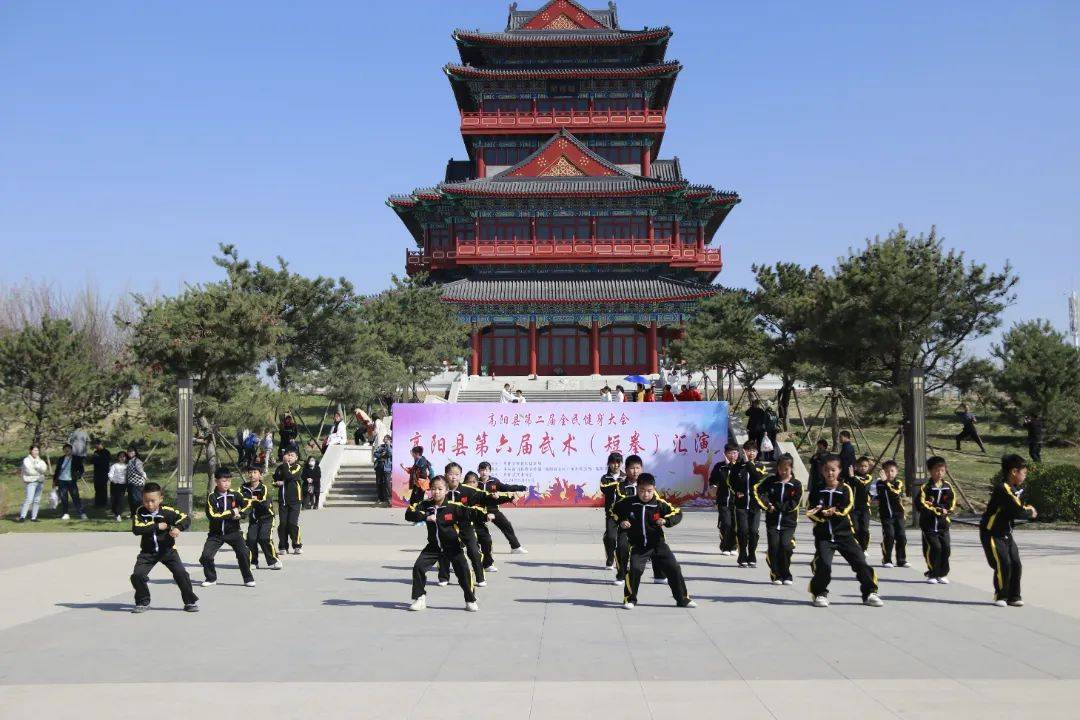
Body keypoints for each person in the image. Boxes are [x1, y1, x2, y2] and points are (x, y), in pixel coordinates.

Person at [805, 454, 883, 608]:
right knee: (824, 565)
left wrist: (835, 511)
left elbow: (848, 506)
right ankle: (820, 593)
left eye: (833, 470)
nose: (830, 473)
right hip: (824, 536)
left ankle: (870, 592)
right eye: (826, 470)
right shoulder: (817, 489)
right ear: (822, 471)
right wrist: (821, 514)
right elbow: (810, 510)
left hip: (844, 534)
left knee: (860, 561)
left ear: (839, 471)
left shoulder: (845, 488)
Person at [610, 473, 695, 609]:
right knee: (635, 569)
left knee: (674, 568)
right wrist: (621, 521)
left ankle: (683, 599)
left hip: (658, 545)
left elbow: (677, 512)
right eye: (642, 491)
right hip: (639, 546)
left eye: (649, 491)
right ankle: (630, 599)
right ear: (637, 489)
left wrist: (666, 521)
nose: (645, 494)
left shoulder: (659, 504)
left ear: (654, 489)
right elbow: (614, 511)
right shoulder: (628, 503)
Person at [405, 476, 479, 612]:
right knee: (418, 568)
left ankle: (470, 599)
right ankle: (419, 598)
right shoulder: (425, 505)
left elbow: (471, 513)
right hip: (433, 547)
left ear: (446, 490)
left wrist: (486, 516)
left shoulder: (453, 507)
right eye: (433, 489)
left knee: (463, 573)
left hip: (453, 547)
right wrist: (425, 517)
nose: (436, 492)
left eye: (440, 489)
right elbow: (409, 514)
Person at [130, 482, 199, 613]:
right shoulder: (140, 511)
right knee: (137, 576)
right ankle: (143, 601)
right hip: (148, 552)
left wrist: (178, 528)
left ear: (161, 498)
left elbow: (185, 518)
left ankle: (190, 602)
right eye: (146, 501)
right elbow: (136, 529)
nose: (149, 504)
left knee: (181, 574)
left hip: (168, 551)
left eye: (152, 501)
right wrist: (156, 526)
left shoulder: (167, 511)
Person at [980, 454, 1037, 607]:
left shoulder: (1015, 489)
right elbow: (1016, 510)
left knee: (1016, 563)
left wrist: (1028, 510)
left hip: (1007, 533)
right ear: (1013, 472)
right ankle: (1001, 596)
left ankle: (1014, 596)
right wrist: (1030, 512)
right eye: (1023, 472)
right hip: (992, 533)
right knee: (1003, 563)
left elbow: (1018, 507)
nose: (1025, 476)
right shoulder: (1002, 489)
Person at [612, 455, 666, 586]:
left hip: (648, 526)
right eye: (631, 468)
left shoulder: (649, 485)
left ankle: (659, 575)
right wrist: (621, 521)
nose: (635, 471)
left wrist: (661, 519)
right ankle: (621, 574)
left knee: (658, 546)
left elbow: (658, 505)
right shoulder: (620, 487)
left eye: (637, 468)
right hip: (628, 526)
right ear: (626, 469)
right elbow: (616, 508)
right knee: (622, 547)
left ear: (642, 468)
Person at [199, 467, 256, 588]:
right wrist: (232, 512)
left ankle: (248, 578)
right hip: (216, 534)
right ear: (216, 481)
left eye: (229, 481)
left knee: (244, 552)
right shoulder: (211, 497)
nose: (227, 484)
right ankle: (211, 578)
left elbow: (249, 503)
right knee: (206, 556)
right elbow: (213, 516)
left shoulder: (235, 494)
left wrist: (241, 514)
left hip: (234, 532)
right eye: (224, 481)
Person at [437, 463, 488, 587]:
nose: (453, 477)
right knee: (444, 550)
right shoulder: (441, 491)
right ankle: (444, 577)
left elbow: (483, 501)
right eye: (450, 474)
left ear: (460, 476)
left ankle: (480, 578)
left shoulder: (468, 490)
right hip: (448, 527)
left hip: (466, 526)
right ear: (445, 475)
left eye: (457, 474)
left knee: (474, 551)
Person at [757, 453, 802, 585]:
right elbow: (759, 491)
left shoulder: (796, 484)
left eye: (786, 469)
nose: (783, 472)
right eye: (780, 468)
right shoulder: (771, 481)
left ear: (791, 468)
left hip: (789, 522)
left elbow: (794, 503)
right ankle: (776, 574)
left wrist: (776, 507)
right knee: (774, 547)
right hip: (772, 521)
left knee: (786, 547)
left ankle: (786, 574)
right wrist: (767, 504)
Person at [462, 470, 515, 574]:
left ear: (477, 483)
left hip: (479, 523)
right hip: (464, 525)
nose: (471, 484)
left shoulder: (480, 494)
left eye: (474, 482)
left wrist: (509, 498)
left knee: (487, 540)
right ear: (464, 483)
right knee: (464, 548)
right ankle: (456, 565)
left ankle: (488, 564)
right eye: (469, 482)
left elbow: (493, 499)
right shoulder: (461, 494)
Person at [729, 440, 766, 568]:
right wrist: (737, 491)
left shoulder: (760, 466)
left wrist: (748, 463)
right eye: (748, 450)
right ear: (743, 451)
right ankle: (742, 554)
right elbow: (731, 482)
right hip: (741, 505)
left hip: (755, 505)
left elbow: (757, 478)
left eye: (753, 451)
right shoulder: (737, 466)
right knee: (743, 531)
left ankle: (752, 554)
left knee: (754, 531)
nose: (751, 453)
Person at [476, 461, 528, 553]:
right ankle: (478, 548)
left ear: (489, 471)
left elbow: (506, 488)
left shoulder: (494, 482)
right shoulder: (475, 482)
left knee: (506, 525)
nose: (484, 472)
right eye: (482, 470)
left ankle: (515, 547)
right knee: (476, 529)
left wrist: (521, 488)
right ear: (478, 471)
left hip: (493, 509)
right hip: (478, 510)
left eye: (486, 470)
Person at [919, 456, 956, 584]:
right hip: (929, 525)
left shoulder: (947, 486)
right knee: (935, 548)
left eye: (942, 470)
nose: (939, 473)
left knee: (946, 548)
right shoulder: (926, 487)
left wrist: (946, 510)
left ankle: (942, 573)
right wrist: (937, 509)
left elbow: (952, 503)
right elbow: (921, 504)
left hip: (943, 525)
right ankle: (932, 573)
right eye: (936, 470)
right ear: (930, 471)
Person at [241, 466, 282, 570]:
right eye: (250, 472)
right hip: (254, 519)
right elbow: (240, 501)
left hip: (267, 518)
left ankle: (274, 560)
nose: (252, 474)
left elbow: (263, 503)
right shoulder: (243, 488)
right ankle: (253, 561)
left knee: (264, 538)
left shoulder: (263, 488)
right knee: (251, 539)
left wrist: (252, 500)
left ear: (260, 475)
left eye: (255, 472)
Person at [873, 460, 909, 568]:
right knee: (889, 535)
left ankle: (901, 560)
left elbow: (895, 493)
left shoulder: (898, 483)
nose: (890, 474)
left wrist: (885, 482)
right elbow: (875, 495)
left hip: (899, 515)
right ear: (882, 472)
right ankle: (887, 559)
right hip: (886, 516)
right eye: (887, 471)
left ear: (896, 472)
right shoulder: (879, 483)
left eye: (892, 471)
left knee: (901, 536)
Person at [708, 443, 739, 556]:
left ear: (738, 454)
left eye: (734, 453)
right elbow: (713, 481)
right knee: (726, 524)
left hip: (737, 502)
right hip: (723, 500)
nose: (732, 455)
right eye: (729, 453)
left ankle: (734, 546)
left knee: (735, 524)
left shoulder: (741, 466)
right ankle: (725, 546)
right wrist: (714, 486)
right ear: (725, 454)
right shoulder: (719, 466)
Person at [273, 449, 305, 555]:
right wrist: (276, 483)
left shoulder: (298, 467)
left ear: (296, 458)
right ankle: (283, 546)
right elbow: (275, 478)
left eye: (292, 456)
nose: (289, 457)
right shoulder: (280, 468)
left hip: (295, 500)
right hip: (283, 501)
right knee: (283, 524)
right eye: (288, 455)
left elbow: (290, 476)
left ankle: (297, 545)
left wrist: (286, 465)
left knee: (292, 523)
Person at [599, 451, 625, 570]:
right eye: (613, 463)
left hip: (625, 513)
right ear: (609, 464)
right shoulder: (605, 478)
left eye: (618, 462)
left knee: (625, 539)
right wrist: (618, 483)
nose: (616, 465)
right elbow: (604, 489)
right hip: (611, 513)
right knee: (610, 537)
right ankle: (610, 557)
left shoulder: (626, 476)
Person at [845, 455, 874, 552]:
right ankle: (857, 547)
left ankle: (864, 548)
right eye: (861, 466)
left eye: (865, 466)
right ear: (857, 466)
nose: (863, 468)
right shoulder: (851, 476)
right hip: (853, 508)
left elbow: (863, 486)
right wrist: (850, 478)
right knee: (856, 529)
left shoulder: (868, 477)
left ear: (868, 467)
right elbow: (846, 486)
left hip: (865, 507)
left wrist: (853, 478)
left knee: (864, 529)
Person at [53, 443, 87, 520]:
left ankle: (81, 513)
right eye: (65, 450)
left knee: (75, 497)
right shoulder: (61, 459)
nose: (67, 451)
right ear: (63, 451)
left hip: (71, 481)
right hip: (62, 481)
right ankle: (65, 513)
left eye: (68, 449)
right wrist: (54, 481)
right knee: (64, 498)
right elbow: (57, 470)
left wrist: (78, 476)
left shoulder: (76, 458)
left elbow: (81, 470)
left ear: (71, 450)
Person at [18, 444, 48, 522]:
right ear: (31, 451)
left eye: (37, 450)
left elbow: (44, 469)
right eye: (34, 450)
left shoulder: (40, 460)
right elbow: (29, 471)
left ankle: (34, 517)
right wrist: (39, 471)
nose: (36, 452)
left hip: (39, 482)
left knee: (37, 500)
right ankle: (22, 516)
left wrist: (37, 468)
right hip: (31, 482)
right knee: (29, 499)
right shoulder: (26, 460)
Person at [805, 439, 830, 506]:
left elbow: (824, 461)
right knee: (813, 494)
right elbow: (811, 461)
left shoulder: (827, 455)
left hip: (822, 479)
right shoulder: (817, 455)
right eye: (818, 447)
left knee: (820, 494)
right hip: (815, 478)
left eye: (820, 447)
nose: (819, 449)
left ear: (824, 447)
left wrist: (817, 457)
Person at [125, 446, 147, 515]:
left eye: (131, 451)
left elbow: (140, 470)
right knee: (131, 500)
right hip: (130, 483)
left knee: (137, 500)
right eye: (128, 451)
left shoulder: (137, 460)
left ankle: (139, 514)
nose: (130, 452)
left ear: (135, 452)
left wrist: (144, 476)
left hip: (137, 484)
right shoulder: (129, 461)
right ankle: (133, 514)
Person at [108, 451, 129, 521]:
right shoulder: (114, 465)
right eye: (120, 456)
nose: (122, 458)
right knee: (114, 499)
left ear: (126, 458)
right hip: (114, 484)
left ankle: (118, 514)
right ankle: (114, 512)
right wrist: (112, 480)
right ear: (118, 457)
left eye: (123, 456)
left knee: (120, 500)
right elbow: (110, 474)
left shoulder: (127, 466)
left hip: (123, 485)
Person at [373, 434, 393, 505]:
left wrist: (388, 446)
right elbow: (375, 453)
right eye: (384, 439)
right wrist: (382, 455)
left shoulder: (391, 447)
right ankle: (380, 498)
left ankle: (390, 498)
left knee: (387, 483)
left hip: (387, 467)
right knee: (379, 482)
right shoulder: (381, 446)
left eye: (386, 439)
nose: (385, 440)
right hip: (379, 466)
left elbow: (390, 454)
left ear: (390, 440)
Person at [90, 441, 112, 508]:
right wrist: (94, 458)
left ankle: (103, 503)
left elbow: (106, 461)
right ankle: (97, 503)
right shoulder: (95, 452)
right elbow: (92, 461)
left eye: (97, 445)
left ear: (101, 445)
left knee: (103, 488)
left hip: (104, 472)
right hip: (96, 472)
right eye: (95, 445)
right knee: (97, 488)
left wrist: (98, 458)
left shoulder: (106, 452)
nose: (96, 446)